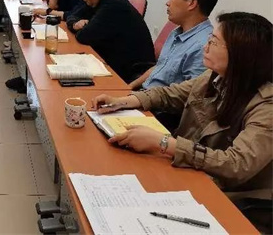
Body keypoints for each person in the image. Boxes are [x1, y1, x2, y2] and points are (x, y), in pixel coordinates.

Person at [93, 12, 272, 232]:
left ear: (240, 54)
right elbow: (172, 94)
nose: (205, 46)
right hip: (194, 172)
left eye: (214, 41)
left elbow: (236, 164)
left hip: (231, 197)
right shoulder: (215, 76)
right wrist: (123, 101)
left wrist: (164, 143)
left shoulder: (266, 106)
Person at [67, 0, 155, 82]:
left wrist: (82, 27)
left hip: (129, 73)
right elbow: (72, 15)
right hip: (112, 60)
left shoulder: (114, 5)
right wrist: (75, 24)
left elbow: (83, 36)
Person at [130, 0, 218, 91]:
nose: (168, 3)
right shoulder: (177, 32)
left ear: (191, 3)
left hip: (157, 101)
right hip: (144, 93)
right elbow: (159, 68)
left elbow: (191, 95)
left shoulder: (204, 46)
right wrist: (128, 87)